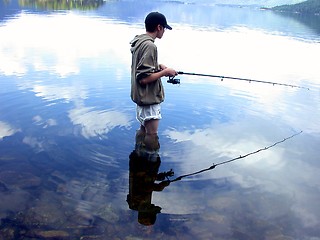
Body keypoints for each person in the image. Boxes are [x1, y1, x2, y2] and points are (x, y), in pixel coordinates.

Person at [130, 12, 177, 152]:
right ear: (158, 27)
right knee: (152, 134)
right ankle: (151, 161)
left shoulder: (139, 41)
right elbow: (143, 78)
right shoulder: (150, 46)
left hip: (140, 97)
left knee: (143, 128)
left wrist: (158, 66)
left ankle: (139, 153)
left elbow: (142, 66)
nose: (164, 32)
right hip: (148, 98)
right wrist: (165, 72)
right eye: (164, 28)